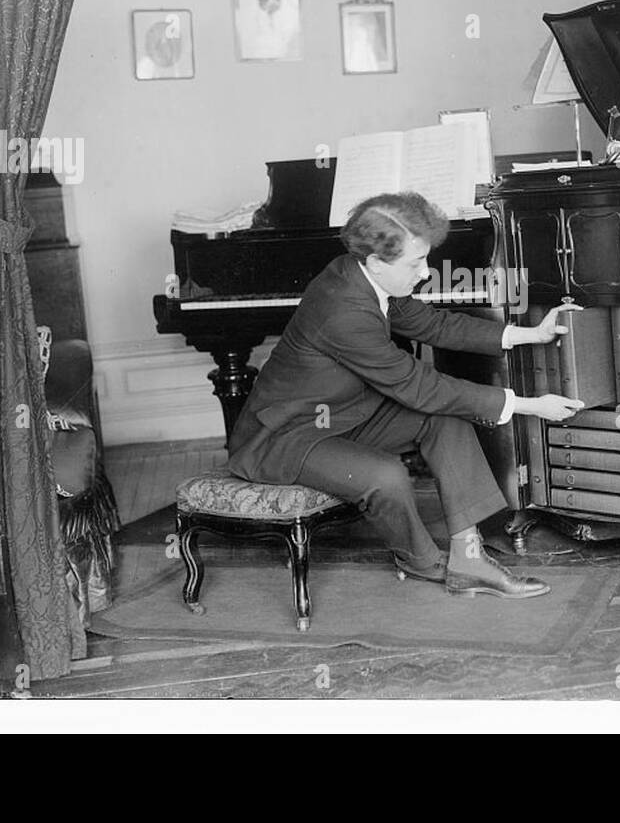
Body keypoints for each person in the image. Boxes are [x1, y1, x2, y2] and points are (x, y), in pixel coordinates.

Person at [227, 191, 584, 598]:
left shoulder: (365, 276)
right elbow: (420, 386)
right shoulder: (343, 310)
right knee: (386, 476)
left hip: (342, 414)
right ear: (377, 262)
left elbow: (433, 325)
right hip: (287, 436)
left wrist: (530, 333)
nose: (426, 273)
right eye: (415, 263)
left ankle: (468, 558)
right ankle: (420, 560)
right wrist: (527, 405)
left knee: (446, 419)